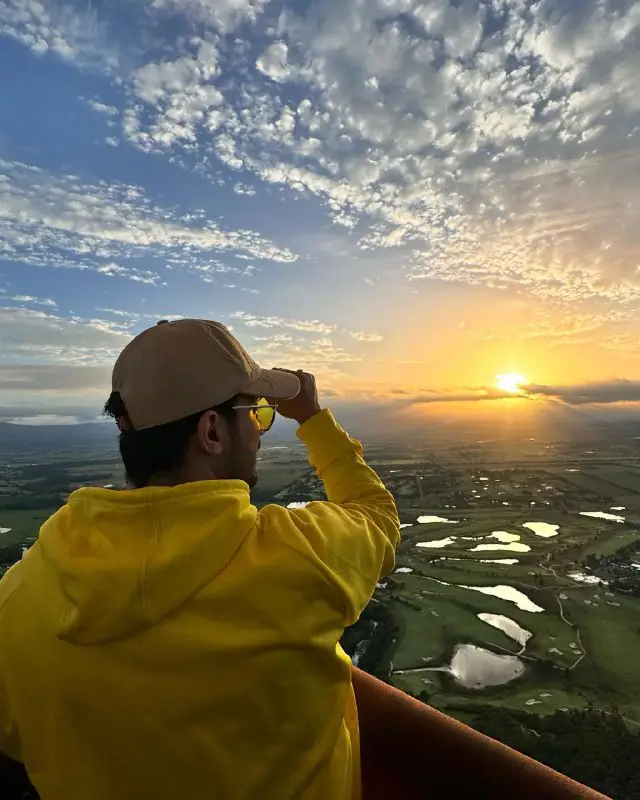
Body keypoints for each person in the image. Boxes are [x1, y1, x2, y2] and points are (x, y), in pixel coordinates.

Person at [0, 318, 400, 800]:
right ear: (211, 431)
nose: (259, 433)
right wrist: (312, 418)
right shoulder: (297, 556)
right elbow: (377, 516)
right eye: (255, 415)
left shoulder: (20, 593)